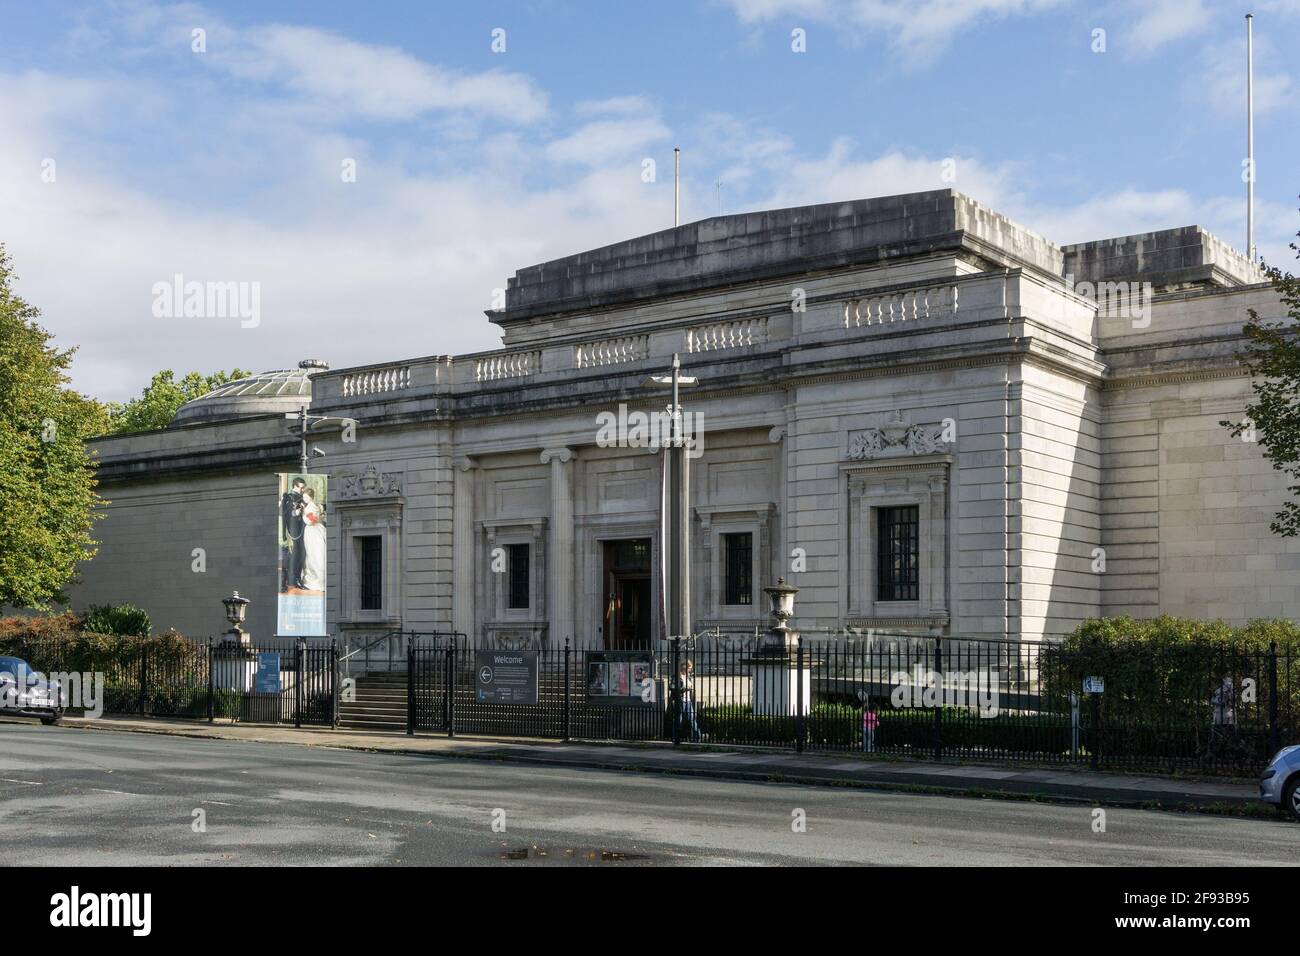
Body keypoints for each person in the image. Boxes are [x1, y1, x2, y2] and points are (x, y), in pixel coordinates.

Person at [280, 478, 307, 590]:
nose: (302, 490)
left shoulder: (301, 497)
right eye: (300, 487)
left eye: (302, 488)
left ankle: (296, 578)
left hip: (301, 528)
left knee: (301, 554)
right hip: (293, 530)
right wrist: (294, 512)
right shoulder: (288, 497)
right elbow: (284, 513)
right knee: (296, 554)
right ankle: (292, 579)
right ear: (295, 486)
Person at [299, 487, 327, 592]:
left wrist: (303, 514)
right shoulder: (315, 506)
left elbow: (311, 521)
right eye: (303, 497)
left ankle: (317, 581)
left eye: (306, 497)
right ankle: (315, 579)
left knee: (314, 555)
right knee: (313, 555)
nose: (304, 498)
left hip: (313, 532)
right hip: (314, 531)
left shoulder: (311, 507)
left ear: (310, 497)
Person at [676, 659, 705, 741]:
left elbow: (691, 688)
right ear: (685, 667)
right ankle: (676, 737)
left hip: (688, 700)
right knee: (679, 719)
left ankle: (698, 736)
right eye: (689, 668)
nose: (690, 670)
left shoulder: (688, 677)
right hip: (681, 700)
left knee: (692, 718)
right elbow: (673, 688)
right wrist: (684, 689)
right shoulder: (678, 677)